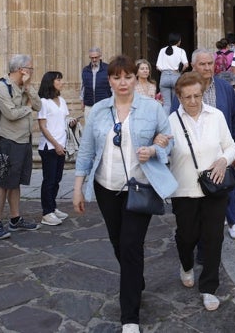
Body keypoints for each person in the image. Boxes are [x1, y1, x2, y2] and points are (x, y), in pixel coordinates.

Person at [73, 55, 177, 333]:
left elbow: (168, 139)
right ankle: (135, 279)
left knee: (131, 246)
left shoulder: (152, 108)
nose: (122, 82)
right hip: (105, 187)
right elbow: (85, 151)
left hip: (139, 187)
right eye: (117, 77)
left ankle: (129, 316)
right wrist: (77, 188)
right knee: (118, 243)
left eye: (128, 77)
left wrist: (155, 149)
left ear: (136, 79)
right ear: (109, 80)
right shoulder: (97, 111)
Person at [169, 72, 235, 311]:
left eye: (197, 95)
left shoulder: (216, 116)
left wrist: (222, 161)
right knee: (187, 237)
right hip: (184, 190)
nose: (193, 101)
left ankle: (209, 287)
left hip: (214, 188)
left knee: (213, 239)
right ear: (179, 96)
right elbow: (162, 152)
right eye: (187, 97)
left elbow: (230, 147)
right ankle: (186, 264)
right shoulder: (171, 122)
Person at [173, 49, 235, 239]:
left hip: (223, 150)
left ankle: (232, 222)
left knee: (226, 187)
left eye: (210, 63)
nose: (207, 68)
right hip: (195, 154)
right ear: (193, 66)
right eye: (202, 64)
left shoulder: (225, 88)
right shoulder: (183, 89)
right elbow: (174, 120)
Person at [0, 54, 42, 239]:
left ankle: (15, 218)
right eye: (30, 67)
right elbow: (11, 113)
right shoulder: (1, 86)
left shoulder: (24, 86)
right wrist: (27, 108)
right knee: (4, 183)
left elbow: (38, 105)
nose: (32, 71)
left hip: (24, 139)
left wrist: (28, 87)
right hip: (8, 141)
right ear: (22, 69)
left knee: (16, 182)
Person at [37, 71, 75, 226]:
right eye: (58, 79)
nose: (61, 82)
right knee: (49, 180)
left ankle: (53, 207)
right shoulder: (43, 102)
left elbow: (64, 118)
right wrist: (56, 144)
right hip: (49, 146)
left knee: (57, 179)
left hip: (62, 144)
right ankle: (47, 212)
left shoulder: (62, 100)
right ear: (50, 82)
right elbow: (43, 126)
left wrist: (71, 121)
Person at [156, 33, 189, 114]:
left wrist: (165, 72)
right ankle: (175, 123)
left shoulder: (162, 50)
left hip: (164, 77)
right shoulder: (181, 51)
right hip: (176, 77)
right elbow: (186, 65)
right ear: (178, 41)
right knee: (176, 104)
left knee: (167, 104)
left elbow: (157, 66)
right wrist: (179, 72)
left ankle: (165, 124)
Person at [81, 47, 112, 119]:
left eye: (96, 57)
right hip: (89, 105)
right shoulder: (85, 70)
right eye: (92, 58)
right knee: (89, 127)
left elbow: (112, 86)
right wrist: (82, 101)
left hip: (104, 104)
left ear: (100, 56)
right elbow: (83, 87)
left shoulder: (107, 68)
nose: (94, 60)